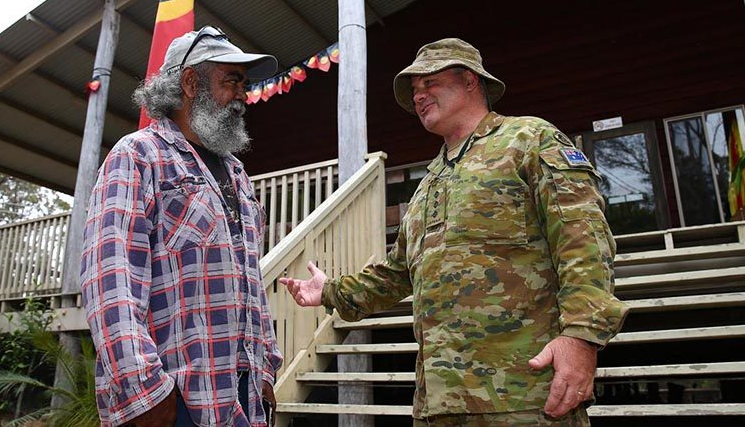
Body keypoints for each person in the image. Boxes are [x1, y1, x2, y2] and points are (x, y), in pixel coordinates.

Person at [279, 38, 629, 426]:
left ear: (470, 82)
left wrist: (582, 336)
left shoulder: (528, 139)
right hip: (439, 404)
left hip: (525, 397)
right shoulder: (428, 184)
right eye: (414, 91)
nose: (419, 96)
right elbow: (398, 275)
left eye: (429, 83)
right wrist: (329, 291)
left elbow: (582, 240)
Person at [81, 26, 282, 427]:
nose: (244, 95)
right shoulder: (139, 155)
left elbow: (249, 281)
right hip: (173, 400)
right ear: (190, 83)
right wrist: (146, 394)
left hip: (240, 395)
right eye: (232, 81)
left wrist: (263, 370)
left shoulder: (237, 174)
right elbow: (110, 279)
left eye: (244, 83)